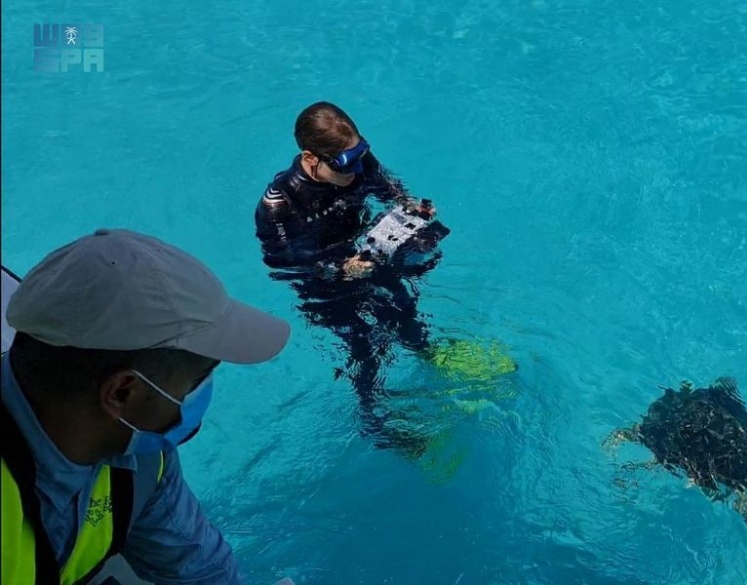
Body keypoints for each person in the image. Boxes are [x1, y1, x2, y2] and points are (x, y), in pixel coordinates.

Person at [1, 228, 295, 585]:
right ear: (123, 392)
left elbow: (200, 568)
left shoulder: (141, 457)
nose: (203, 391)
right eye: (199, 377)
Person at [254, 102, 446, 454]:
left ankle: (431, 356)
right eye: (346, 164)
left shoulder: (359, 162)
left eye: (361, 155)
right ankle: (375, 417)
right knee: (364, 345)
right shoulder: (280, 204)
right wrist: (339, 269)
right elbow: (281, 262)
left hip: (366, 252)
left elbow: (388, 188)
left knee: (404, 305)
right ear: (310, 158)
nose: (358, 170)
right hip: (320, 282)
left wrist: (410, 206)